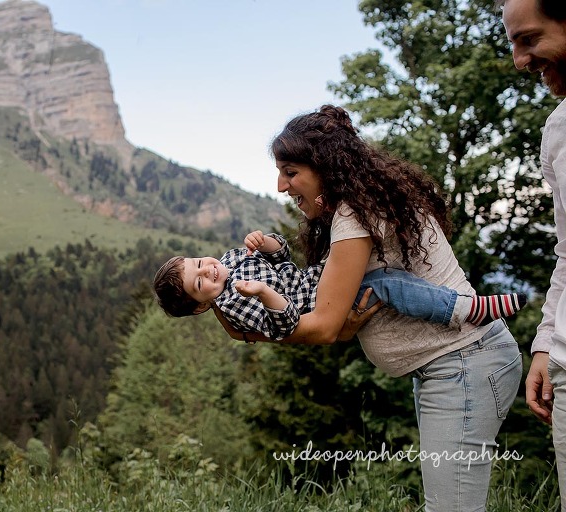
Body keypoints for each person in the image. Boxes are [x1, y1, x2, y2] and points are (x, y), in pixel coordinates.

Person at [214, 105, 523, 511]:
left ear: (323, 167)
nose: (280, 186)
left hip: (463, 362)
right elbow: (338, 321)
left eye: (290, 172)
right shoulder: (350, 210)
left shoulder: (354, 215)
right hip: (451, 366)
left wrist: (251, 331)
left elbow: (324, 327)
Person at [154, 230, 527, 341]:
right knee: (384, 285)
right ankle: (465, 309)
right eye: (200, 284)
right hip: (319, 299)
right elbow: (285, 328)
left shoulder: (231, 258)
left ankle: (449, 297)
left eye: (200, 264)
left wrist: (264, 242)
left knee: (380, 264)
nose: (209, 271)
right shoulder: (236, 306)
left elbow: (283, 256)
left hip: (317, 274)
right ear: (202, 305)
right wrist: (266, 295)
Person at [498, 0, 566, 506]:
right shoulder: (558, 132)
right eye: (514, 43)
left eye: (530, 39)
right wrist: (545, 343)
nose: (521, 61)